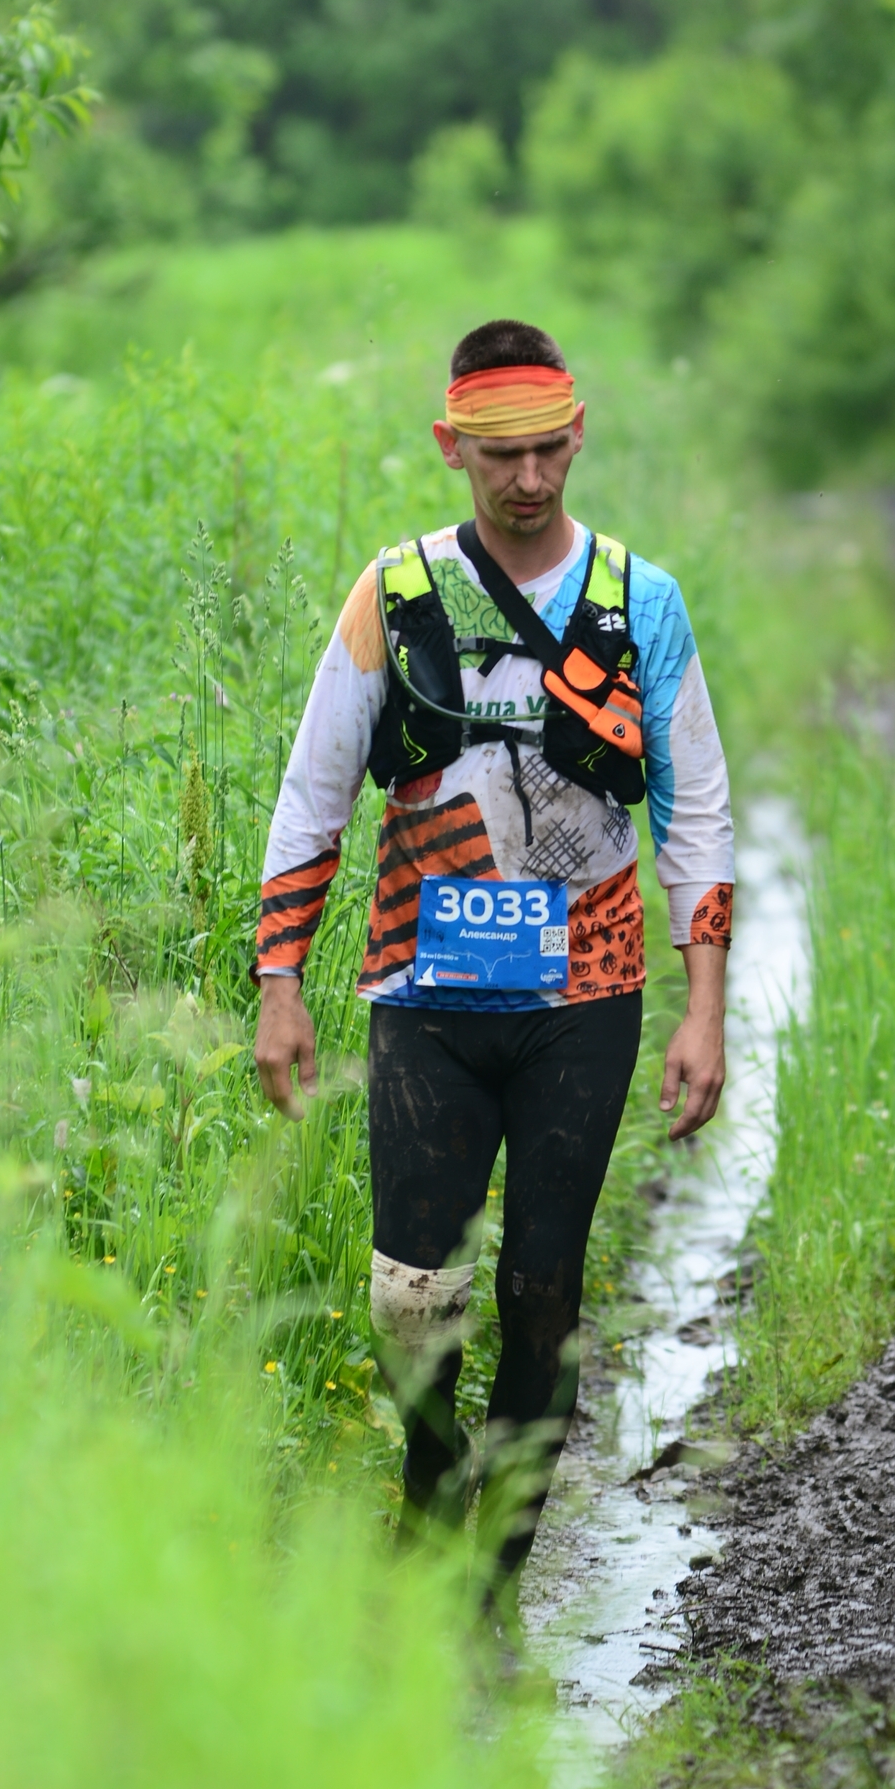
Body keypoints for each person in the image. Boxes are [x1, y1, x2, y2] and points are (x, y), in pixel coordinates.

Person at [252, 317, 735, 1612]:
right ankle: (428, 1485)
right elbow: (314, 798)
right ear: (450, 446)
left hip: (588, 999)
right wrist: (280, 983)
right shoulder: (396, 595)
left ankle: (492, 1590)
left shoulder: (644, 604)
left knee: (540, 1291)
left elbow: (695, 813)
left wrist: (707, 1009)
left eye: (547, 451)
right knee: (415, 1297)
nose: (527, 481)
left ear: (580, 433)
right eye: (498, 456)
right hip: (423, 995)